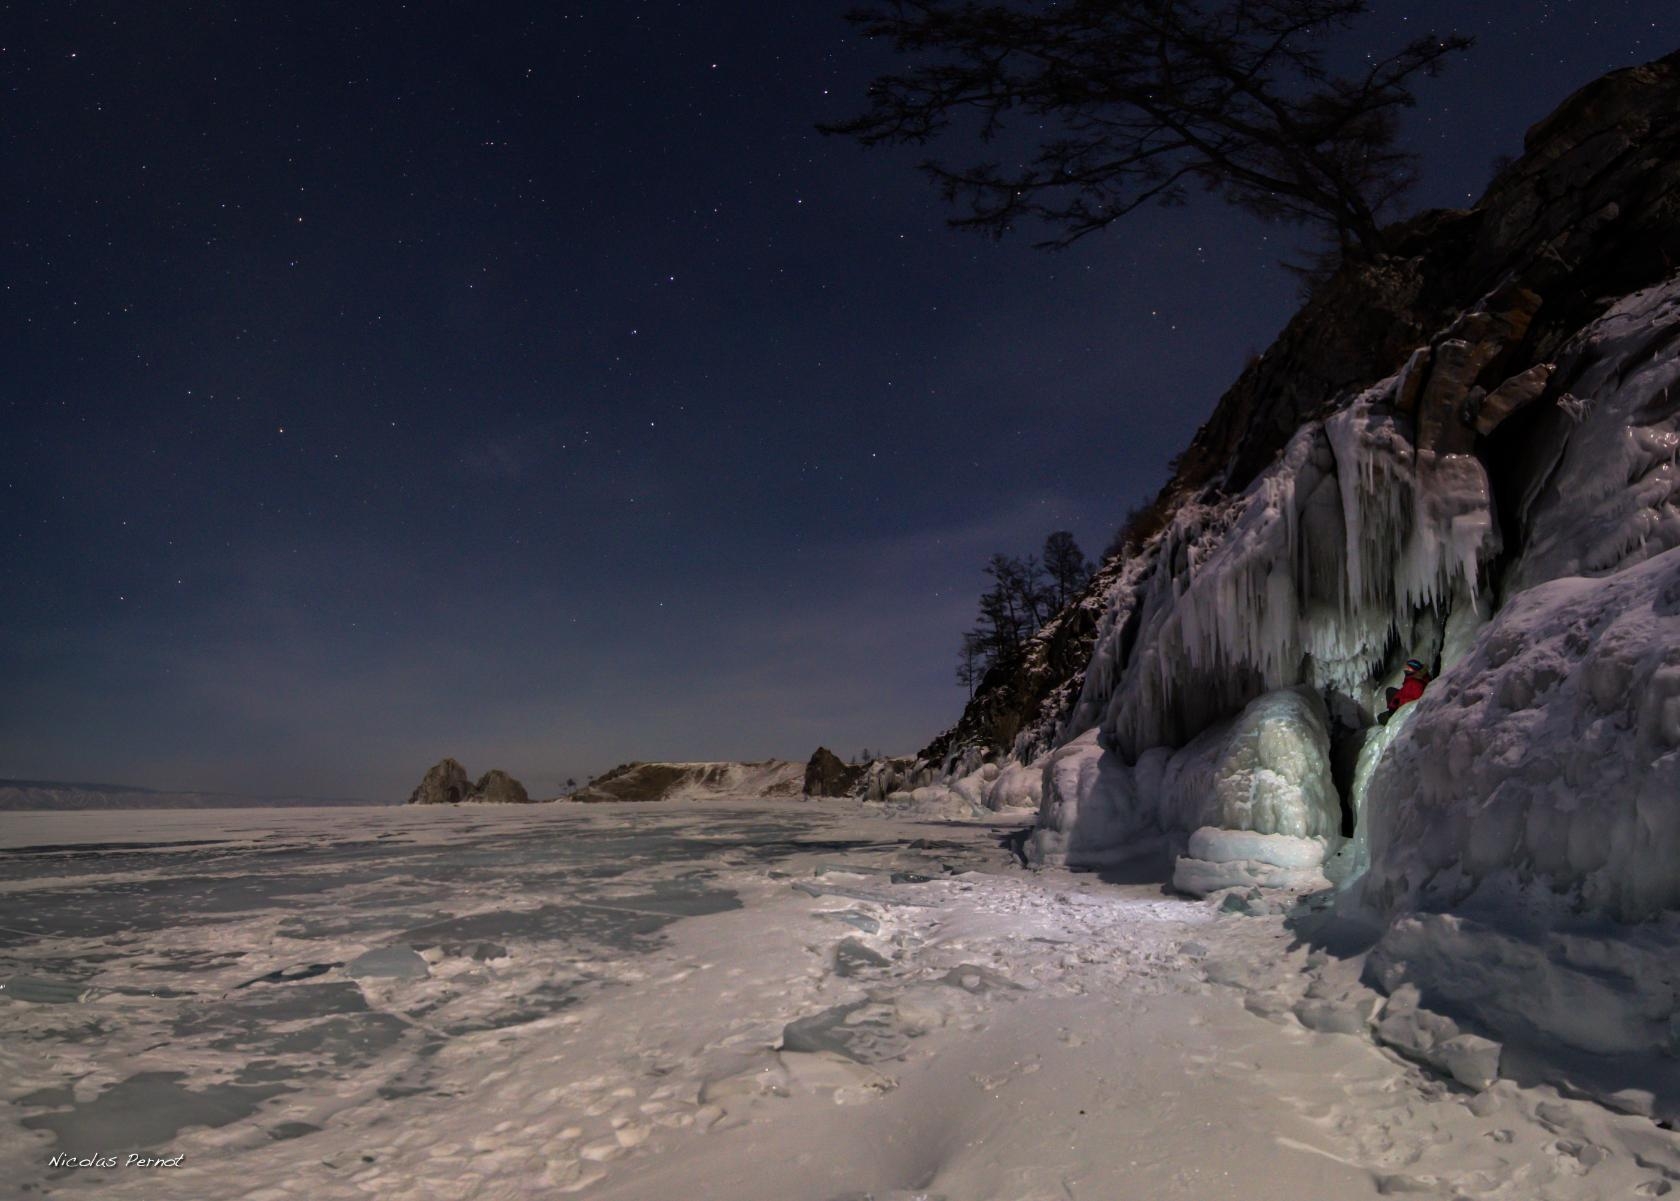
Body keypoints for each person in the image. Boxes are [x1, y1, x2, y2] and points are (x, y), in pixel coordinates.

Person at [1378, 658, 1431, 724]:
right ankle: (1391, 714)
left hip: (1405, 710)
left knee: (1380, 717)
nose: (1406, 669)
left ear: (1414, 669)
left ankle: (1391, 723)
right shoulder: (1412, 678)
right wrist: (1395, 701)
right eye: (1406, 667)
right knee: (1390, 691)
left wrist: (1399, 702)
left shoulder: (1416, 683)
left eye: (1408, 668)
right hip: (1401, 704)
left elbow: (1417, 702)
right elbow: (1404, 691)